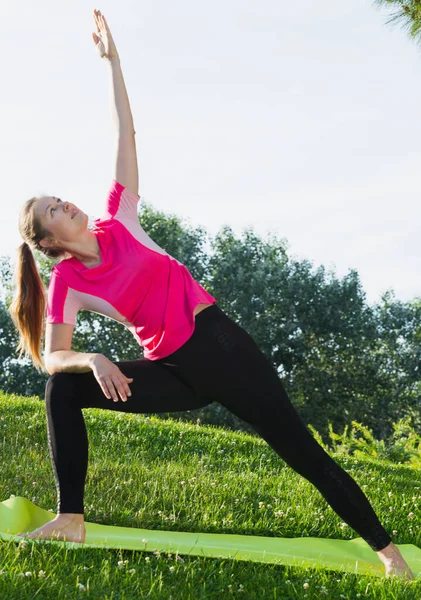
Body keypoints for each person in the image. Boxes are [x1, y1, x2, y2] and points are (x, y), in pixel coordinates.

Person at [8, 9, 413, 579]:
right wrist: (91, 358)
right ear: (51, 242)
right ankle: (70, 516)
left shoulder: (118, 219)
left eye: (60, 198)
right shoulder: (70, 283)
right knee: (62, 389)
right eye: (54, 210)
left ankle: (390, 556)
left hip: (220, 347)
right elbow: (51, 354)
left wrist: (113, 63)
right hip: (172, 372)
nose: (66, 204)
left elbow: (126, 132)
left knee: (302, 454)